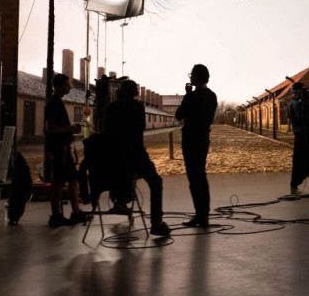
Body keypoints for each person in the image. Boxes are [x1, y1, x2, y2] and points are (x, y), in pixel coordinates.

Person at [100, 80, 170, 237]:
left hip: (111, 160)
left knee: (121, 172)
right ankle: (156, 223)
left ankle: (120, 199)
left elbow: (104, 134)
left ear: (118, 92)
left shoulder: (107, 109)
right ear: (135, 93)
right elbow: (139, 131)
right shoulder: (138, 107)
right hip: (134, 154)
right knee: (156, 182)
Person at [175, 64, 218, 228]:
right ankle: (204, 214)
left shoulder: (191, 97)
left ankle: (200, 215)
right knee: (201, 175)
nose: (190, 77)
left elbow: (178, 115)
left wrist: (187, 95)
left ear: (195, 77)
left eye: (192, 75)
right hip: (203, 138)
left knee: (194, 178)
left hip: (190, 140)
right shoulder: (212, 96)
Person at [44, 73, 88, 227]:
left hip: (62, 147)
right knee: (60, 181)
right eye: (67, 85)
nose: (69, 87)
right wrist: (71, 128)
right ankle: (59, 215)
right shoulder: (53, 103)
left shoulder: (57, 102)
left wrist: (70, 129)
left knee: (69, 180)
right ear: (58, 86)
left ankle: (72, 213)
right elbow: (51, 128)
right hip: (59, 149)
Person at [286, 82, 309, 195]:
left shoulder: (290, 105)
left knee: (298, 161)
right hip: (308, 136)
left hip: (298, 136)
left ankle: (294, 186)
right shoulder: (302, 105)